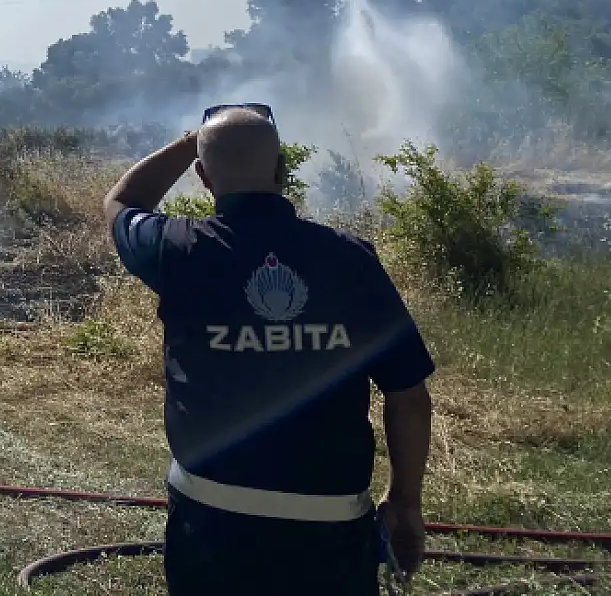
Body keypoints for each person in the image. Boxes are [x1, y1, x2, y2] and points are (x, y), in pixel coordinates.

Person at [102, 104, 435, 596]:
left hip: (209, 525)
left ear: (202, 177)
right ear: (282, 171)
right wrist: (405, 503)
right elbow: (407, 395)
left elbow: (121, 202)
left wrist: (192, 140)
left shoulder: (178, 250)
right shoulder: (351, 259)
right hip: (331, 532)